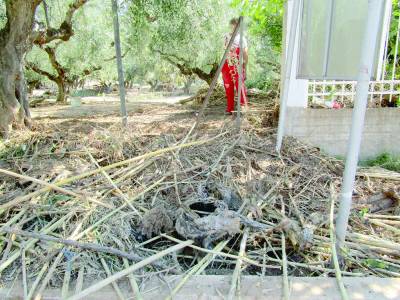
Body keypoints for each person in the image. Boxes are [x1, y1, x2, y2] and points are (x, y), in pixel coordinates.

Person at [222, 18, 248, 115]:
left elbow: (245, 53)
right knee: (228, 86)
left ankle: (241, 106)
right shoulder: (226, 36)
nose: (234, 27)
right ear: (231, 25)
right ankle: (230, 108)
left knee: (239, 85)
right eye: (233, 25)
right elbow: (224, 47)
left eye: (236, 25)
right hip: (226, 63)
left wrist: (245, 66)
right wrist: (229, 48)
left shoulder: (242, 38)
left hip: (237, 63)